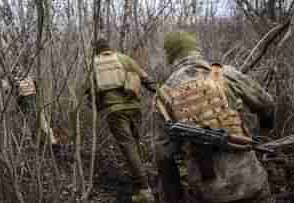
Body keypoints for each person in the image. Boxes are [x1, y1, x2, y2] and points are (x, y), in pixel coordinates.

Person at [154, 31, 275, 203]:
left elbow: (164, 156)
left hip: (209, 191)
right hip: (250, 180)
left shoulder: (164, 93)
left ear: (170, 56)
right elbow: (267, 104)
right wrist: (264, 131)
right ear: (196, 49)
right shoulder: (224, 73)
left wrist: (174, 198)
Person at [90, 38, 156, 202]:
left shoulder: (94, 64)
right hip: (134, 108)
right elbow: (146, 79)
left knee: (128, 148)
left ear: (95, 50)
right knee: (135, 142)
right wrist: (160, 93)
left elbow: (88, 90)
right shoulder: (123, 58)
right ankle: (145, 179)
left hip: (114, 111)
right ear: (109, 47)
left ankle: (144, 189)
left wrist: (95, 106)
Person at [15, 73, 57, 146]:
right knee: (40, 124)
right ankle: (51, 141)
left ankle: (50, 141)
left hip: (31, 107)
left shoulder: (22, 82)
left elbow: (19, 99)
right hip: (32, 107)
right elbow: (37, 92)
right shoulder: (27, 81)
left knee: (35, 125)